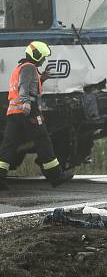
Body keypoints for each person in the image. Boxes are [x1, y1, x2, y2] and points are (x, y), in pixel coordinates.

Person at [0, 41, 67, 189]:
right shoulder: (29, 67)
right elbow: (24, 86)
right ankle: (56, 176)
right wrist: (27, 103)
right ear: (36, 55)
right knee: (43, 141)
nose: (44, 60)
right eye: (43, 57)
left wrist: (41, 79)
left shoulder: (20, 67)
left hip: (13, 112)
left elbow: (28, 84)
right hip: (28, 111)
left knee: (8, 145)